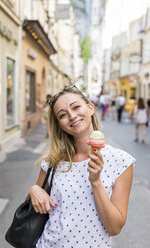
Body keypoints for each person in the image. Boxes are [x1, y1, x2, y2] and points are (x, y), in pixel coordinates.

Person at [27, 85, 135, 248]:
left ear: (90, 108)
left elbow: (114, 228)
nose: (72, 116)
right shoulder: (53, 162)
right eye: (62, 115)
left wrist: (96, 181)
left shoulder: (121, 161)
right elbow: (31, 205)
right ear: (60, 125)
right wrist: (33, 190)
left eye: (76, 107)